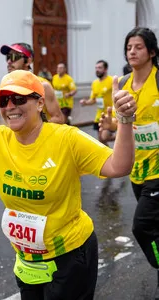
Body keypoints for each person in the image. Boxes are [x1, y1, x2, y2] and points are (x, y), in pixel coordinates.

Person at [0, 67, 136, 299]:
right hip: (27, 259)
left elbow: (118, 166)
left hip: (70, 254)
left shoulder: (65, 139)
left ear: (40, 104)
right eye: (2, 100)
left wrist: (125, 120)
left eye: (19, 98)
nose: (10, 106)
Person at [99, 28, 159, 278]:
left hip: (158, 170)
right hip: (136, 170)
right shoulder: (122, 84)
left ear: (152, 52)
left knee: (142, 226)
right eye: (128, 48)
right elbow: (119, 127)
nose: (132, 52)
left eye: (138, 47)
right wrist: (108, 129)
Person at [0, 42, 65, 124]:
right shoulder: (7, 86)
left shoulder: (43, 85)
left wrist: (33, 130)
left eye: (14, 57)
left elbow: (59, 118)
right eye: (8, 57)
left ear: (28, 61)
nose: (9, 61)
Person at [80, 60, 114, 145]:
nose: (97, 70)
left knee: (104, 137)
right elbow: (93, 99)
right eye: (96, 68)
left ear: (105, 69)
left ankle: (124, 137)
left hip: (110, 114)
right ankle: (110, 156)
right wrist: (86, 102)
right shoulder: (94, 83)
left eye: (100, 67)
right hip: (99, 115)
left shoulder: (112, 81)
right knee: (101, 140)